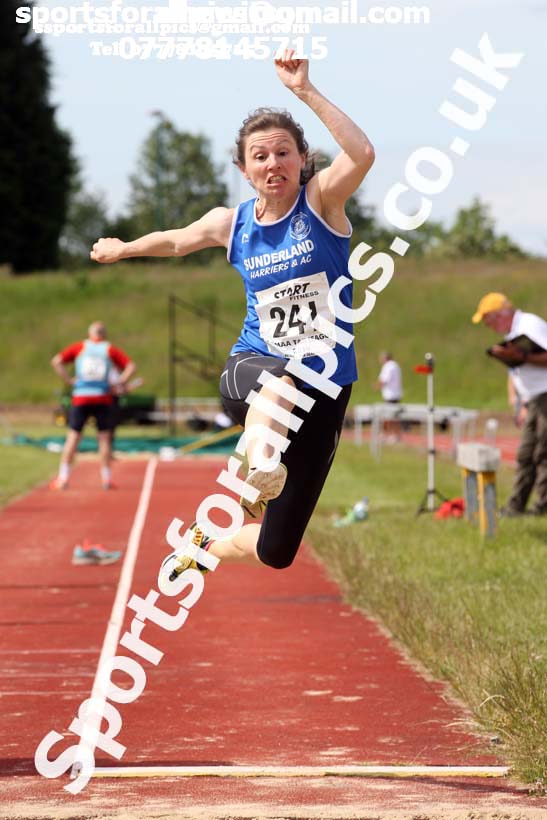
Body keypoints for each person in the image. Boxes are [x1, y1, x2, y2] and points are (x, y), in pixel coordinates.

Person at [91, 51, 375, 571]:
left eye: (283, 153)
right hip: (253, 369)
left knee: (276, 552)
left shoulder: (322, 203)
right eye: (260, 157)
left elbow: (361, 154)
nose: (273, 164)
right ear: (244, 170)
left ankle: (202, 546)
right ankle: (260, 467)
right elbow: (176, 242)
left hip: (328, 386)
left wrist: (305, 91)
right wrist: (123, 248)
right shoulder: (233, 223)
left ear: (302, 160)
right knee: (281, 385)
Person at [472, 292, 547, 516]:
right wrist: (519, 400)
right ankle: (516, 506)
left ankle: (543, 506)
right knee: (525, 454)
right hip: (532, 399)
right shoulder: (514, 333)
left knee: (543, 452)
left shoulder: (529, 325)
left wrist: (522, 357)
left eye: (488, 320)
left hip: (545, 394)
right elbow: (515, 371)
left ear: (500, 315)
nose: (488, 326)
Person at [50, 321, 137, 490]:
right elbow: (131, 366)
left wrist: (69, 380)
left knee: (73, 437)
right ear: (104, 334)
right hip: (102, 397)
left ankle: (63, 478)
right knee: (104, 438)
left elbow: (56, 361)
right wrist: (119, 383)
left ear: (90, 333)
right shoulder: (109, 349)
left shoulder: (80, 347)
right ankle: (106, 479)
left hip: (81, 396)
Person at [375, 351, 403, 441]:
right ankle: (395, 435)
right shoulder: (396, 365)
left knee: (390, 417)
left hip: (390, 395)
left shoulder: (388, 366)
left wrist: (377, 386)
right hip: (396, 394)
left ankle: (390, 435)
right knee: (395, 416)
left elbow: (385, 379)